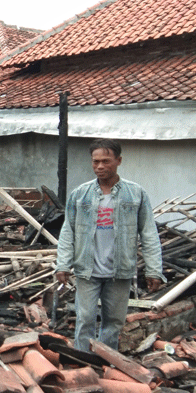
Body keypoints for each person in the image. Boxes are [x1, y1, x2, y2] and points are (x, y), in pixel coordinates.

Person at [55, 138, 166, 351]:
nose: (99, 166)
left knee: (113, 323)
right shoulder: (80, 195)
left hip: (120, 271)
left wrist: (154, 271)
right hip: (87, 270)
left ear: (119, 161)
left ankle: (106, 362)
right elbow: (68, 231)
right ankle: (83, 361)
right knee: (85, 318)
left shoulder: (136, 194)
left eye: (105, 161)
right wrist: (63, 264)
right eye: (95, 161)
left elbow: (149, 234)